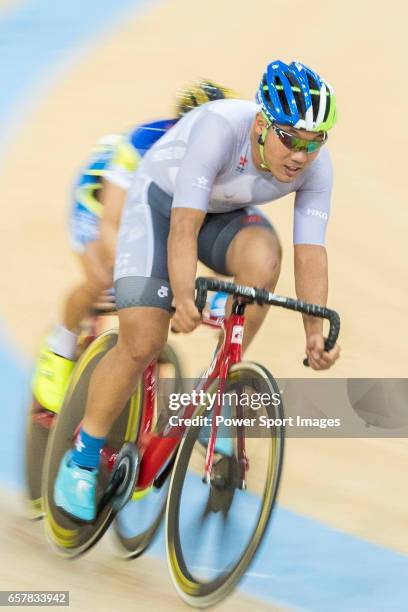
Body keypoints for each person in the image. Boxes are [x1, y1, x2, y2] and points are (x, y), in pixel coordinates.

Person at [54, 60, 341, 521]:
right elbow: (182, 228)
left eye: (314, 142)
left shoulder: (315, 165)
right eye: (290, 139)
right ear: (262, 123)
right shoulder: (218, 129)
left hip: (220, 213)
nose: (301, 155)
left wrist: (314, 329)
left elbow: (311, 253)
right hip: (162, 205)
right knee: (142, 341)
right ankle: (82, 457)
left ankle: (216, 390)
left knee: (265, 259)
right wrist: (183, 296)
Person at [31, 80, 237, 414]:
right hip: (101, 198)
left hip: (152, 204)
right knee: (103, 276)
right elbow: (111, 225)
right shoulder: (141, 144)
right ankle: (60, 345)